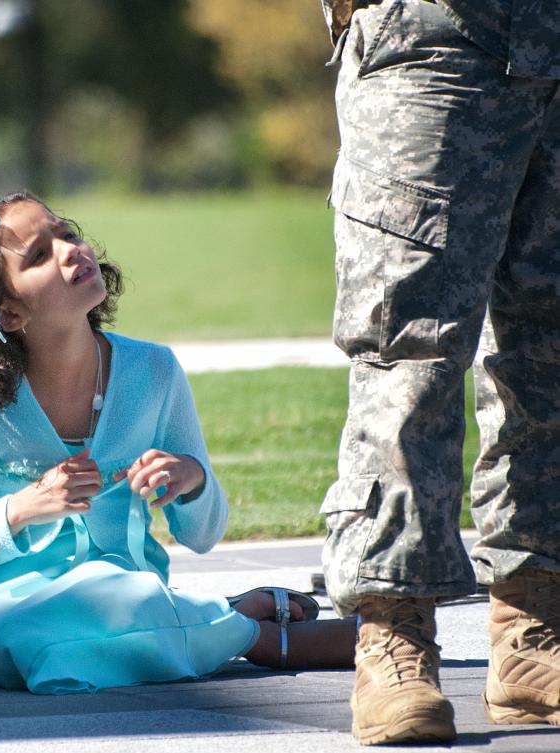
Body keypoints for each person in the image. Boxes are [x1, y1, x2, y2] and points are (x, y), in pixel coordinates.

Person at [0, 192, 356, 693]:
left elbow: (203, 535)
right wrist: (22, 509)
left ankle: (203, 627)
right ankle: (248, 635)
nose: (71, 250)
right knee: (42, 633)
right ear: (8, 312)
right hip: (6, 609)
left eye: (67, 233)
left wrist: (192, 480)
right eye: (39, 255)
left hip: (130, 593)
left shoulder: (153, 371)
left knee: (120, 603)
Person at [319, 0, 560, 745]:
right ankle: (394, 632)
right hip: (435, 39)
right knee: (410, 346)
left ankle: (533, 625)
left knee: (547, 354)